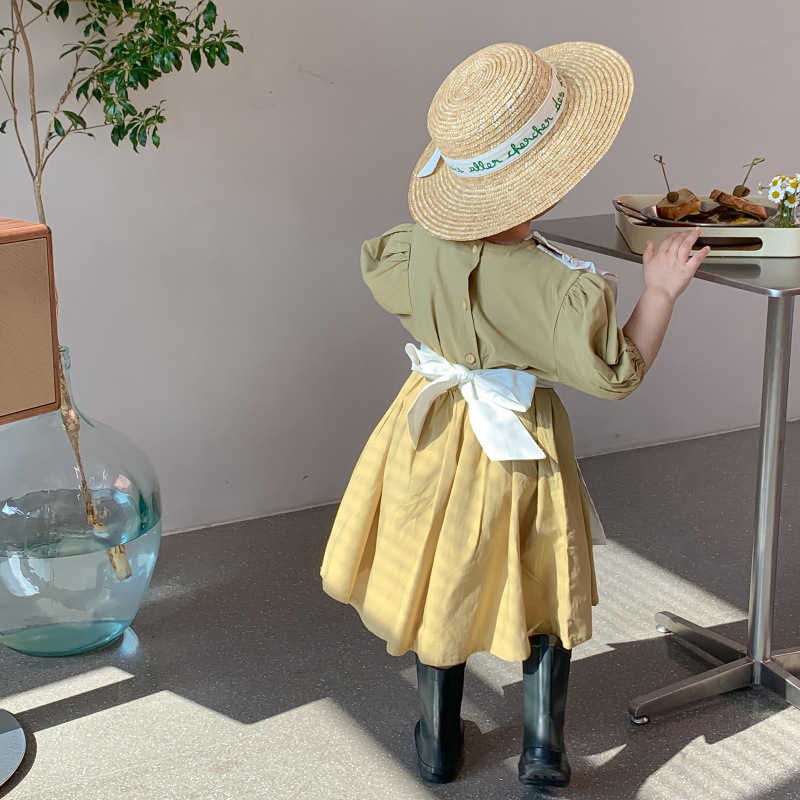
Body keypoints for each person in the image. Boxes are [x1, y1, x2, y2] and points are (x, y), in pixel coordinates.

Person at [320, 41, 710, 788]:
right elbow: (617, 372)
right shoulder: (560, 288)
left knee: (441, 575)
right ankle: (542, 752)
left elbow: (394, 288)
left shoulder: (409, 249)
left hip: (428, 433)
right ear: (548, 189)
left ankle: (438, 744)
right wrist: (660, 291)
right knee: (541, 582)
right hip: (517, 443)